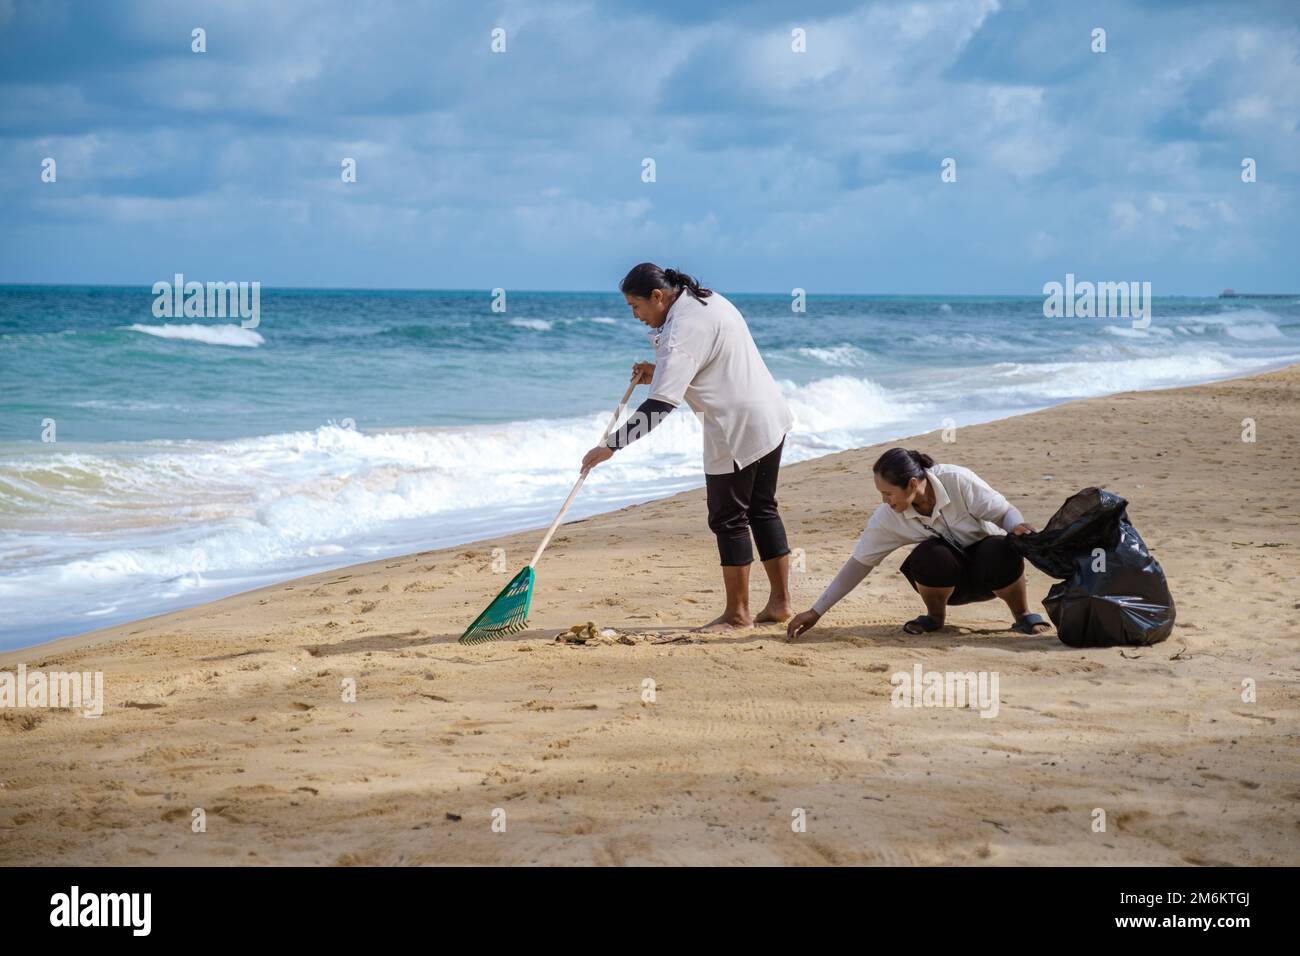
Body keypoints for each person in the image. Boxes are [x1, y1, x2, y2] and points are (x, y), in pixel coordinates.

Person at [581, 262, 795, 632]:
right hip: (769, 413)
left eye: (636, 306)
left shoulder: (682, 329)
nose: (635, 316)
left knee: (728, 519)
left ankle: (737, 614)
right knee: (762, 509)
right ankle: (779, 604)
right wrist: (659, 370)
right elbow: (708, 358)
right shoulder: (704, 299)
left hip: (735, 426)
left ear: (658, 296)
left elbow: (661, 405)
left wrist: (611, 446)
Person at [785, 448, 1052, 639]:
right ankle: (935, 618)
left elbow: (1005, 512)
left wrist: (1016, 526)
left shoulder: (956, 480)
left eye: (888, 493)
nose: (885, 501)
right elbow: (858, 564)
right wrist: (816, 612)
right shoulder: (888, 517)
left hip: (994, 574)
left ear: (912, 484)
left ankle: (1022, 615)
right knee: (929, 555)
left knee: (999, 547)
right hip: (948, 585)